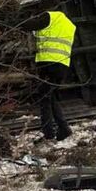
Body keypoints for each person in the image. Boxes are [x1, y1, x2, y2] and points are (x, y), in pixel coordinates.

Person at [33, 10, 76, 141]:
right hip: (62, 65)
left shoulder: (50, 17)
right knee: (50, 97)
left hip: (49, 64)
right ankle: (64, 129)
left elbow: (29, 24)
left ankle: (49, 134)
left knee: (44, 98)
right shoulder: (68, 24)